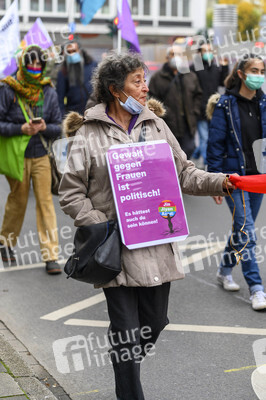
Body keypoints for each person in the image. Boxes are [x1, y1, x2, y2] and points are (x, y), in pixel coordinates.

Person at [59, 52, 234, 400]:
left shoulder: (155, 124)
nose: (145, 86)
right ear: (114, 89)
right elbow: (70, 192)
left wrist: (221, 181)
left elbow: (184, 172)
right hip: (115, 249)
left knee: (154, 323)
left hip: (156, 242)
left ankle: (123, 360)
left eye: (144, 78)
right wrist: (101, 224)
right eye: (136, 81)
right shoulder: (88, 133)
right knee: (125, 331)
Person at [206, 53, 266, 311]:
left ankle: (224, 269)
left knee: (241, 230)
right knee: (247, 233)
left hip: (259, 178)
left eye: (262, 71)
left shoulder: (264, 103)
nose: (259, 76)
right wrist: (215, 180)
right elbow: (215, 143)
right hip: (235, 179)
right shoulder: (225, 104)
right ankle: (256, 288)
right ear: (241, 73)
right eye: (254, 70)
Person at [0, 45, 62, 275]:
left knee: (45, 203)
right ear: (23, 64)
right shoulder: (8, 89)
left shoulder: (49, 91)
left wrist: (46, 127)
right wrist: (20, 128)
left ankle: (51, 255)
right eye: (31, 63)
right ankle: (5, 242)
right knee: (18, 200)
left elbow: (58, 126)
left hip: (42, 155)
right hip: (17, 156)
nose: (35, 68)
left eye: (39, 64)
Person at [148, 45, 202, 159]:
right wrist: (162, 114)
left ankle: (184, 175)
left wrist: (195, 111)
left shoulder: (190, 76)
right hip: (168, 123)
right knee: (170, 155)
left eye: (179, 54)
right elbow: (151, 99)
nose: (176, 57)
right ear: (167, 57)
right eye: (173, 54)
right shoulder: (157, 78)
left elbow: (198, 95)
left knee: (189, 149)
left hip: (188, 123)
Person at [191, 42, 229, 167]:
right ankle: (207, 164)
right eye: (204, 50)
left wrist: (225, 67)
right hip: (200, 108)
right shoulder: (195, 67)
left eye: (210, 50)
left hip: (213, 107)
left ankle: (196, 153)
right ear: (199, 53)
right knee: (204, 137)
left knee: (212, 136)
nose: (208, 53)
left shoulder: (216, 67)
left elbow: (223, 83)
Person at [56, 38, 97, 117]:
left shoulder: (92, 65)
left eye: (74, 51)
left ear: (80, 51)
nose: (72, 54)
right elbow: (59, 98)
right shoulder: (63, 71)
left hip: (92, 112)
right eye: (69, 52)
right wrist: (62, 118)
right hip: (74, 114)